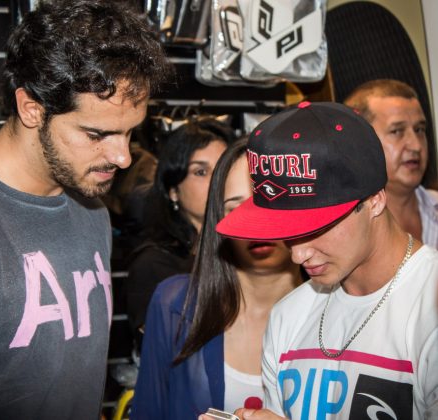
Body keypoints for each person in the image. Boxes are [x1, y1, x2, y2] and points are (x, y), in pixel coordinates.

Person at [0, 0, 171, 418]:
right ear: (30, 108)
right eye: (97, 134)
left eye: (130, 133)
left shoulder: (91, 206)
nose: (123, 157)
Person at [208, 101, 438, 419]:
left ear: (374, 200)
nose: (297, 254)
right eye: (285, 231)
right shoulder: (288, 317)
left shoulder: (429, 308)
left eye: (315, 228)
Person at [130, 138, 303, 419]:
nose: (256, 224)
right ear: (218, 222)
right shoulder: (176, 306)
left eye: (269, 202)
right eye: (236, 208)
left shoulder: (338, 311)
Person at [125, 118, 235, 340]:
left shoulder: (251, 249)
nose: (217, 181)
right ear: (173, 190)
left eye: (224, 168)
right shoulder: (154, 266)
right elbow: (171, 350)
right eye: (201, 172)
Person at [344, 79, 438, 247]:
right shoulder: (347, 231)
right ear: (360, 141)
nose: (416, 145)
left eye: (419, 130)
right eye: (396, 131)